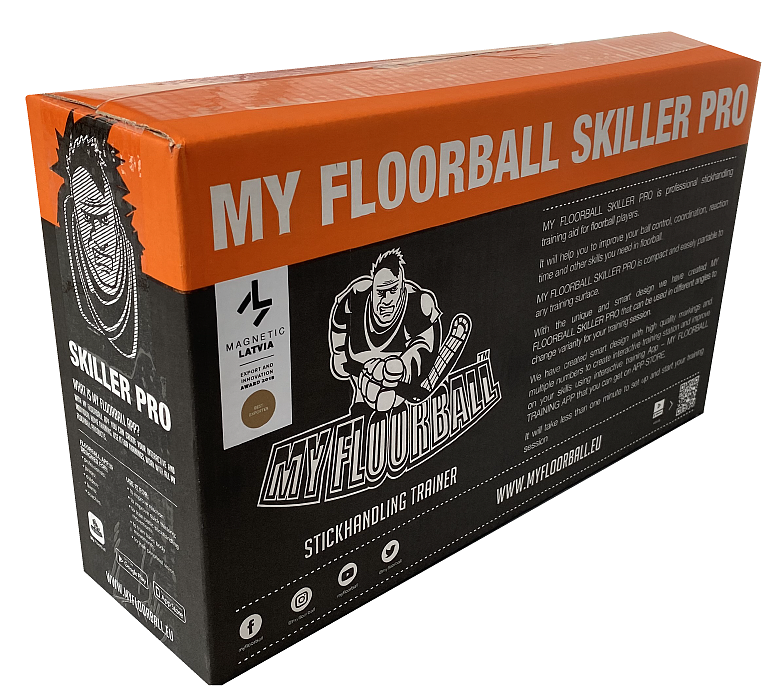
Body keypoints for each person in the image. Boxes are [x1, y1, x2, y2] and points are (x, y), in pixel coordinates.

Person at [329, 249, 442, 413]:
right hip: (361, 382)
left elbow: (425, 345)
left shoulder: (418, 303)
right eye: (381, 292)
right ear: (373, 288)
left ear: (401, 286)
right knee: (361, 410)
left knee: (394, 407)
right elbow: (338, 322)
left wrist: (403, 369)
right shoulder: (356, 296)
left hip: (398, 387)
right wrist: (339, 352)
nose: (387, 300)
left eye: (393, 290)